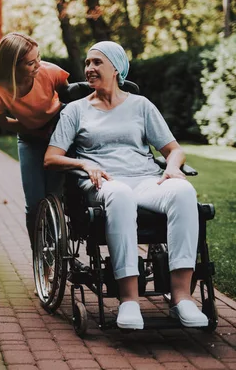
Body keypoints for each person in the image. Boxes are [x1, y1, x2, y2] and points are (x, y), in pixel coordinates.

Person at [43, 41, 208, 330]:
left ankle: (182, 296)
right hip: (105, 183)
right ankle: (129, 299)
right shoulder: (75, 111)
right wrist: (84, 164)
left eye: (97, 62)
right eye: (87, 63)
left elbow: (174, 150)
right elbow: (51, 158)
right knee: (119, 194)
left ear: (117, 68)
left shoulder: (140, 105)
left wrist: (171, 169)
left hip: (145, 179)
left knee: (183, 191)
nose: (89, 69)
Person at [0, 32, 70, 251]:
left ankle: (60, 247)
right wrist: (30, 129)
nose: (38, 64)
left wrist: (60, 130)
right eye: (31, 62)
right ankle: (40, 257)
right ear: (12, 66)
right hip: (30, 139)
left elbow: (71, 98)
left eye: (38, 57)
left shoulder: (50, 72)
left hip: (60, 134)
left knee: (55, 196)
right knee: (34, 205)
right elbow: (1, 121)